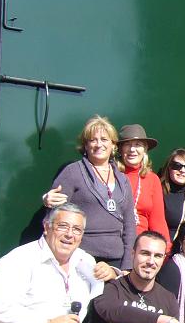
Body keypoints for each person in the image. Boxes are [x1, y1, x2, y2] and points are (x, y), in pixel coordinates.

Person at [42, 115, 136, 269]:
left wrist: (127, 265)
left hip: (116, 261)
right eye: (93, 140)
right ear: (85, 146)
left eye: (104, 139)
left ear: (113, 145)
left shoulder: (123, 180)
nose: (99, 144)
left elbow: (129, 224)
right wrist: (47, 201)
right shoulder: (72, 172)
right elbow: (53, 216)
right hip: (80, 257)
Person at [116, 124, 170, 251]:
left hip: (142, 248)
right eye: (127, 144)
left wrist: (165, 250)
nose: (132, 149)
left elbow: (158, 221)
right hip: (115, 243)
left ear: (145, 149)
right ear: (120, 149)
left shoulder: (152, 179)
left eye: (138, 144)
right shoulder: (111, 175)